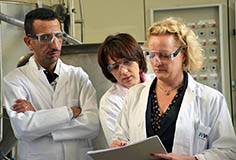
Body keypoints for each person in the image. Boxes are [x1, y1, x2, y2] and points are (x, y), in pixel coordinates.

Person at [110, 17, 236, 160]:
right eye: (151, 55)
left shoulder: (211, 99)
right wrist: (119, 146)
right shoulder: (135, 95)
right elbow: (121, 136)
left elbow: (228, 151)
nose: (156, 62)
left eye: (164, 55)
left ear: (183, 54)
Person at [3, 8, 99, 160]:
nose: (55, 45)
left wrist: (40, 121)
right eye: (46, 37)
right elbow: (24, 129)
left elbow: (92, 125)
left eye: (58, 36)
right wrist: (70, 112)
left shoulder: (78, 75)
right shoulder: (15, 81)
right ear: (29, 42)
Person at [97, 33, 150, 145]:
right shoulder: (110, 102)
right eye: (115, 67)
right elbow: (119, 146)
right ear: (109, 71)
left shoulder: (158, 84)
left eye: (127, 62)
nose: (123, 71)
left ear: (139, 60)